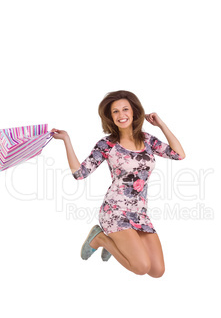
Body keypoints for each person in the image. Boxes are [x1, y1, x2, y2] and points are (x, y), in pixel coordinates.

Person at [52, 90, 186, 278]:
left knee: (157, 271)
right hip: (115, 211)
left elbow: (179, 154)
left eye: (125, 109)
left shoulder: (147, 140)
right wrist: (66, 140)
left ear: (134, 112)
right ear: (110, 116)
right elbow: (80, 173)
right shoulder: (107, 144)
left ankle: (111, 243)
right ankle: (101, 239)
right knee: (140, 267)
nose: (121, 115)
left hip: (139, 212)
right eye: (115, 111)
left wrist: (161, 125)